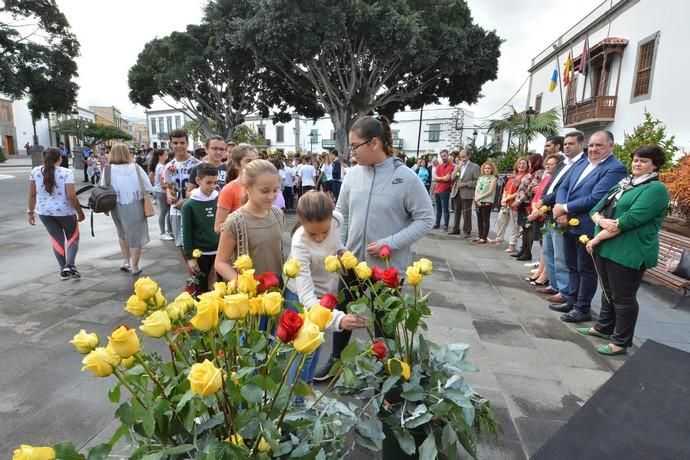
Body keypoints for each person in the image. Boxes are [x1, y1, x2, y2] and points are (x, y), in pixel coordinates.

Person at [314, 115, 434, 382]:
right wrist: (340, 246)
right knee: (344, 313)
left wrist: (389, 244)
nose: (351, 152)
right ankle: (336, 362)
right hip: (351, 262)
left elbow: (426, 219)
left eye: (356, 146)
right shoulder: (353, 175)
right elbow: (340, 214)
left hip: (386, 268)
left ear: (375, 142)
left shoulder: (406, 178)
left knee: (385, 321)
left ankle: (387, 369)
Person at [581, 145, 669, 355]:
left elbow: (630, 220)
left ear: (655, 165)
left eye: (644, 161)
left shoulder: (655, 190)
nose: (637, 164)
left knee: (623, 297)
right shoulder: (625, 183)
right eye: (636, 159)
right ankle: (603, 328)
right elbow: (595, 208)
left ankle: (620, 341)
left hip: (630, 250)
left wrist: (597, 237)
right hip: (608, 246)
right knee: (608, 291)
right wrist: (601, 221)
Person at [285, 191, 367, 387]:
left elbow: (335, 241)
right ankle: (296, 400)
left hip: (325, 291)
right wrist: (339, 320)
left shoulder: (337, 220)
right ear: (302, 222)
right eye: (314, 233)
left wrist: (341, 251)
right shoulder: (299, 243)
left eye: (325, 230)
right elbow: (306, 297)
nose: (321, 237)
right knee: (304, 348)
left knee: (318, 343)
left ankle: (307, 389)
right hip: (301, 293)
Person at [550, 131, 628, 323]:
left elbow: (596, 197)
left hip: (587, 225)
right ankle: (571, 299)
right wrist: (561, 210)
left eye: (599, 145)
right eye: (591, 145)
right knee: (571, 264)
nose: (593, 149)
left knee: (585, 269)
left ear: (611, 146)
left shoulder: (615, 168)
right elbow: (563, 187)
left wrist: (565, 208)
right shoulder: (582, 163)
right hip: (566, 222)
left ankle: (582, 307)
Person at [215, 159, 285, 281]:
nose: (271, 196)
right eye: (264, 191)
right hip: (251, 295)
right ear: (247, 188)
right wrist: (243, 284)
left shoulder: (278, 213)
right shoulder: (235, 221)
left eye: (275, 190)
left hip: (277, 290)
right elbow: (221, 263)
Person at [537, 132, 584, 302]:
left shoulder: (581, 164)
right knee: (549, 251)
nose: (567, 147)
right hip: (550, 211)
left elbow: (567, 189)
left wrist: (549, 201)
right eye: (565, 144)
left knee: (560, 254)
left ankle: (564, 291)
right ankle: (555, 285)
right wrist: (542, 199)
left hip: (562, 213)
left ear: (580, 145)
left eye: (571, 144)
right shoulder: (563, 163)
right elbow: (551, 184)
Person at [28, 147, 85, 280]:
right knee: (73, 237)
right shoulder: (66, 172)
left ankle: (63, 270)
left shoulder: (35, 171)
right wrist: (79, 211)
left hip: (44, 212)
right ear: (60, 158)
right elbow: (71, 195)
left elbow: (32, 194)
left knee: (56, 239)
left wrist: (30, 212)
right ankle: (70, 265)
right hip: (65, 211)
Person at [103, 143, 153, 275]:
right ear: (126, 153)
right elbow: (148, 187)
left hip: (115, 205)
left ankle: (126, 262)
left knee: (122, 233)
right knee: (137, 235)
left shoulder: (107, 169)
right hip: (135, 204)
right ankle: (135, 266)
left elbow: (103, 188)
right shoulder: (135, 168)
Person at [182, 163, 220, 293]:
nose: (213, 186)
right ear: (198, 180)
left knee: (221, 288)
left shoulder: (219, 199)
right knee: (201, 290)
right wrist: (190, 258)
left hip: (219, 251)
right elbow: (186, 233)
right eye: (208, 182)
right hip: (201, 253)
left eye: (215, 182)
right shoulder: (189, 205)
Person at [526, 153, 561, 285]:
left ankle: (546, 275)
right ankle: (540, 271)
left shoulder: (555, 179)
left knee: (549, 249)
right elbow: (539, 196)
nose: (548, 166)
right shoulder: (547, 178)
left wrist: (539, 211)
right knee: (544, 248)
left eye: (552, 164)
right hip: (538, 212)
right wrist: (535, 208)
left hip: (547, 215)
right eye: (547, 163)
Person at [163, 129, 200, 251]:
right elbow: (168, 185)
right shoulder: (169, 166)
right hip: (176, 211)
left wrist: (186, 200)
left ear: (187, 143)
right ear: (171, 144)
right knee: (180, 244)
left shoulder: (197, 164)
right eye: (175, 143)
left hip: (194, 210)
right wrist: (168, 194)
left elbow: (203, 189)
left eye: (182, 143)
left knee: (196, 245)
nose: (179, 146)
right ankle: (190, 270)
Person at [215, 144, 258, 233]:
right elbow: (218, 227)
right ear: (237, 165)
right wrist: (243, 226)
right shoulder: (229, 190)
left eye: (256, 161)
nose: (254, 164)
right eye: (248, 161)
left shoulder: (261, 187)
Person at [490, 157, 528, 251]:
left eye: (523, 164)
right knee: (501, 220)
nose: (521, 165)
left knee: (514, 225)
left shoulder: (526, 177)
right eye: (519, 163)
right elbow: (505, 189)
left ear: (527, 166)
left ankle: (512, 244)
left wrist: (507, 198)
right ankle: (499, 238)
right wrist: (503, 199)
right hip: (506, 202)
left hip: (515, 203)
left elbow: (521, 191)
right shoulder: (513, 175)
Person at [512, 154, 543, 261]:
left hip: (528, 203)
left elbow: (530, 189)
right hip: (523, 203)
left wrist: (520, 200)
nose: (528, 163)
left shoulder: (538, 173)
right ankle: (523, 249)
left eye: (529, 161)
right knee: (524, 228)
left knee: (528, 227)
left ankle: (527, 252)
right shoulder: (531, 173)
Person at [449, 149, 480, 237]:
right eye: (460, 157)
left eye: (464, 157)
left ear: (468, 156)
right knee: (456, 212)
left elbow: (477, 181)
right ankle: (456, 229)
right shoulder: (458, 166)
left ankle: (467, 230)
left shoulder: (474, 166)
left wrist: (466, 184)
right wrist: (457, 169)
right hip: (457, 191)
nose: (462, 159)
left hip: (467, 192)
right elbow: (452, 178)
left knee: (466, 213)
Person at [148, 149, 173, 241]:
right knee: (164, 212)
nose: (167, 156)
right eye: (165, 154)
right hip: (162, 192)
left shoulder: (159, 166)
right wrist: (171, 185)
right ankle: (163, 232)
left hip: (159, 190)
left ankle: (168, 231)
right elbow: (163, 184)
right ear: (160, 156)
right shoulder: (161, 167)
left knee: (166, 212)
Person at [473, 161, 498, 244]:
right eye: (486, 168)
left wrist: (480, 197)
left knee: (485, 219)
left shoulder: (493, 179)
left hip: (487, 201)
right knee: (479, 219)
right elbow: (476, 189)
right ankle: (480, 235)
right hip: (478, 201)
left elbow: (490, 191)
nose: (487, 170)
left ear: (492, 169)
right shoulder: (480, 178)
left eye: (489, 168)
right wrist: (477, 198)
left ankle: (484, 237)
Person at [431, 150, 454, 232]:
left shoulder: (451, 166)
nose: (443, 157)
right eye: (442, 156)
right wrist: (442, 178)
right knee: (438, 209)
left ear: (448, 155)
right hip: (437, 190)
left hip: (445, 190)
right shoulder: (439, 166)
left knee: (445, 209)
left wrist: (439, 178)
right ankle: (437, 224)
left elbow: (448, 178)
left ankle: (445, 226)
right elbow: (434, 178)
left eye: (444, 155)